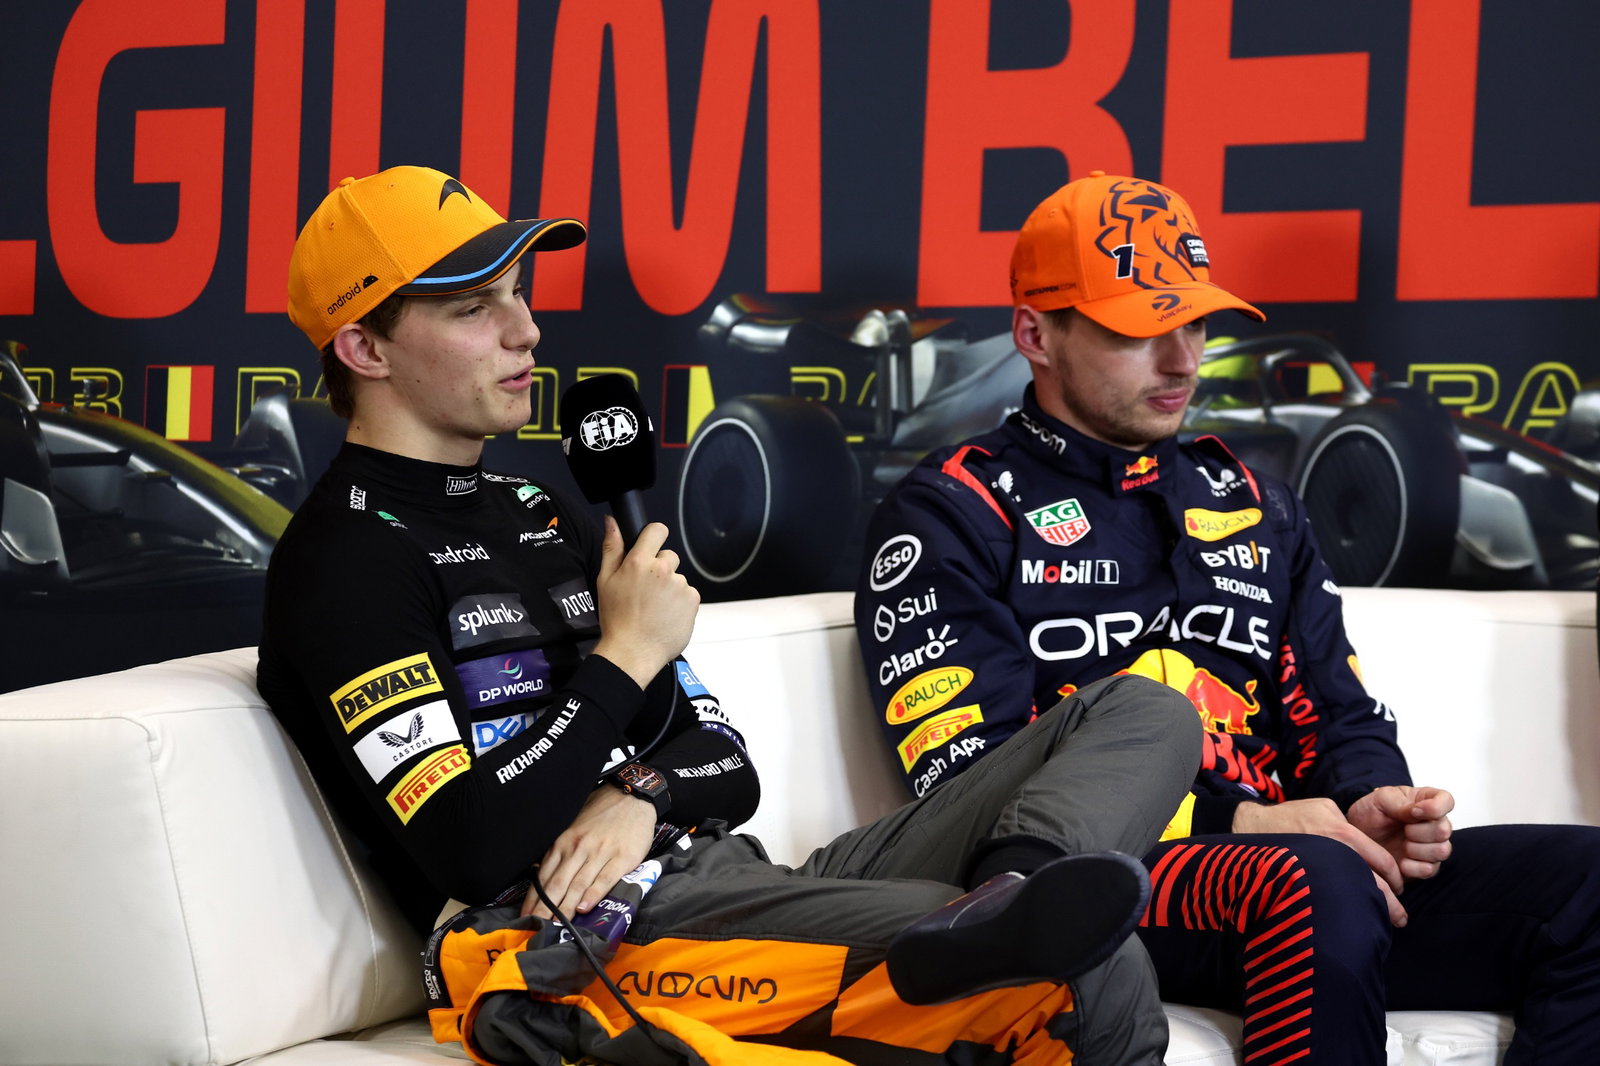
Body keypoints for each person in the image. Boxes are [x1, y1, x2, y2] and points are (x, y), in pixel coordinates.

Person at [257, 165, 1205, 1065]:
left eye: (518, 295)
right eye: (475, 309)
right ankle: (1006, 936)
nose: (527, 331)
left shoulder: (544, 512)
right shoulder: (344, 560)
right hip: (579, 942)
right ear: (365, 349)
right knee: (1097, 969)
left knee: (1147, 710)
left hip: (725, 878)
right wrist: (624, 659)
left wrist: (642, 795)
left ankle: (1010, 895)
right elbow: (472, 845)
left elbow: (724, 763)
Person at [855, 171, 1600, 1066]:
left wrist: (1372, 800)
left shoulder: (1254, 502)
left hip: (1300, 870)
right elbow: (973, 786)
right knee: (1314, 880)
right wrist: (1242, 823)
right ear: (1035, 334)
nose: (1182, 361)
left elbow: (1338, 711)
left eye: (1196, 324)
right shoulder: (952, 512)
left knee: (1585, 885)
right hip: (1101, 873)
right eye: (1140, 331)